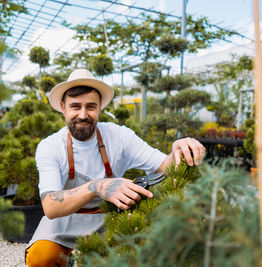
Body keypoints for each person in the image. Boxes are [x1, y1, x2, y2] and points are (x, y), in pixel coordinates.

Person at [25, 69, 206, 267]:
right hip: (63, 221)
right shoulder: (50, 146)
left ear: (100, 106)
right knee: (41, 257)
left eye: (91, 107)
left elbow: (164, 168)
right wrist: (97, 185)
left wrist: (177, 150)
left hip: (109, 219)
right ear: (62, 107)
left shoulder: (120, 136)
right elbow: (51, 206)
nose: (83, 115)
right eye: (75, 106)